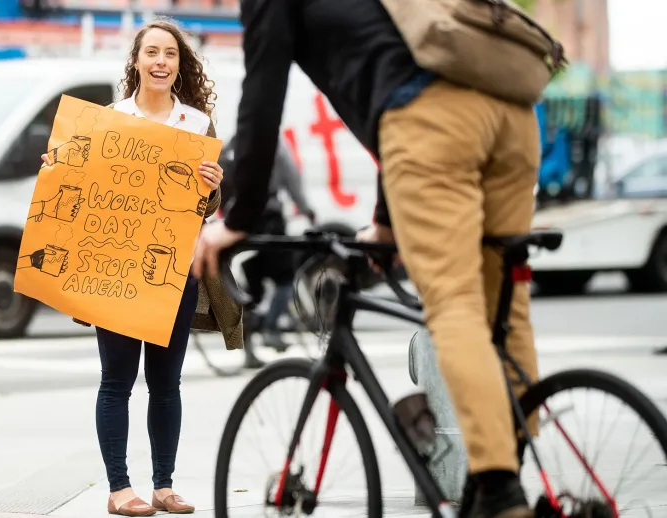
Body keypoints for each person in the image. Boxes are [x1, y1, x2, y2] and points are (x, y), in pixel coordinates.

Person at [191, 1, 542, 517]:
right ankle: (522, 463)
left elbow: (263, 92)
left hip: (433, 125)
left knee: (454, 308)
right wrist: (384, 220)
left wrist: (238, 219)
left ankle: (499, 492)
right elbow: (401, 81)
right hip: (512, 115)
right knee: (504, 311)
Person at [42, 19, 243, 517]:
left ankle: (164, 486)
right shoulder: (110, 120)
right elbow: (80, 192)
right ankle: (118, 488)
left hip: (173, 269)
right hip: (115, 268)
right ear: (135, 61)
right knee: (117, 380)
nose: (160, 62)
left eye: (170, 54)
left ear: (179, 65)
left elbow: (208, 207)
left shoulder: (197, 124)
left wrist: (214, 185)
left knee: (166, 382)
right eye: (151, 52)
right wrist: (57, 167)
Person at [217, 133, 315, 367]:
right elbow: (291, 178)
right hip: (269, 219)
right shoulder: (273, 143)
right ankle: (271, 327)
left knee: (251, 288)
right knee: (285, 278)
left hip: (240, 223)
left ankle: (249, 351)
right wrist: (306, 208)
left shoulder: (234, 143)